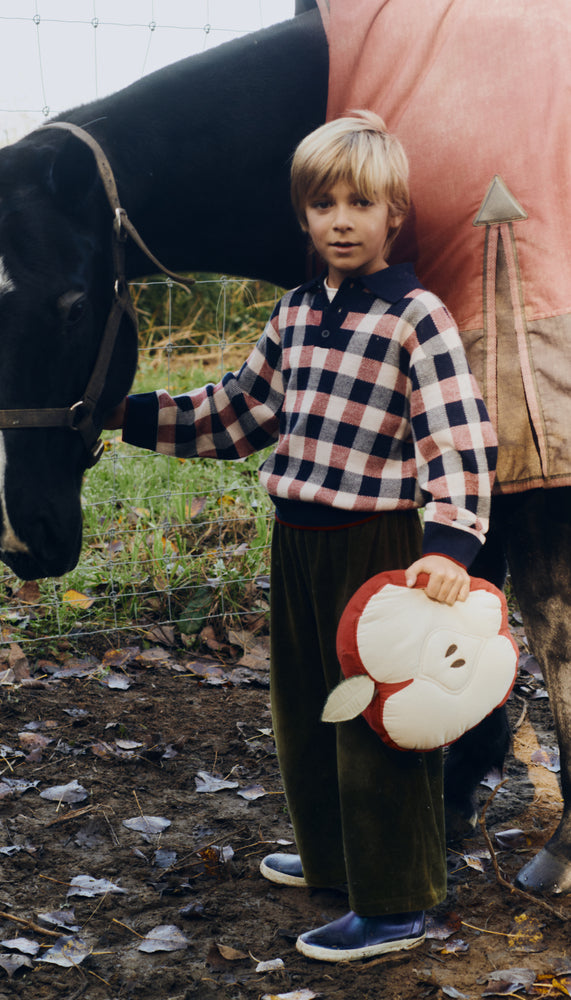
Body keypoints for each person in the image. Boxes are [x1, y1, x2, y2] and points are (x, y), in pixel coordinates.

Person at [105, 111, 497, 962]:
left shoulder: (414, 316)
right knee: (307, 708)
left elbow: (458, 437)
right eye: (323, 204)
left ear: (394, 214)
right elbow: (235, 415)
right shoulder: (292, 317)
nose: (342, 220)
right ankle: (334, 860)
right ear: (304, 217)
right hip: (299, 539)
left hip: (380, 547)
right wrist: (122, 414)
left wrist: (450, 544)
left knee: (377, 721)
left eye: (361, 203)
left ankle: (395, 904)